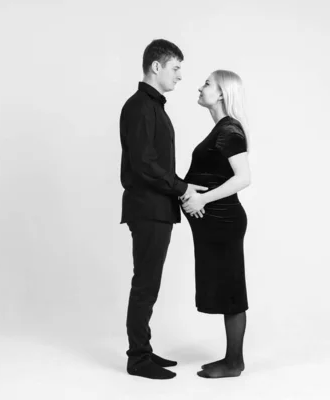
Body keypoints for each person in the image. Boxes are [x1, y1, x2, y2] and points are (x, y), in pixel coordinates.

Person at [119, 39, 207, 380]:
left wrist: (183, 187)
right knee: (145, 284)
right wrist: (182, 188)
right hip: (147, 209)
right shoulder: (140, 106)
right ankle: (137, 358)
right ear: (156, 67)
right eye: (175, 68)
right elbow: (144, 165)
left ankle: (144, 350)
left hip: (157, 207)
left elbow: (154, 166)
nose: (180, 76)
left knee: (149, 284)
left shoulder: (153, 106)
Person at [180, 70, 252, 378]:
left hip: (224, 222)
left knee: (232, 290)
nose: (200, 86)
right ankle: (231, 359)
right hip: (216, 225)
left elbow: (244, 178)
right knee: (226, 289)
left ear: (222, 92)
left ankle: (234, 362)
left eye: (207, 83)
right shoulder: (221, 129)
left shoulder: (229, 130)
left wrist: (202, 200)